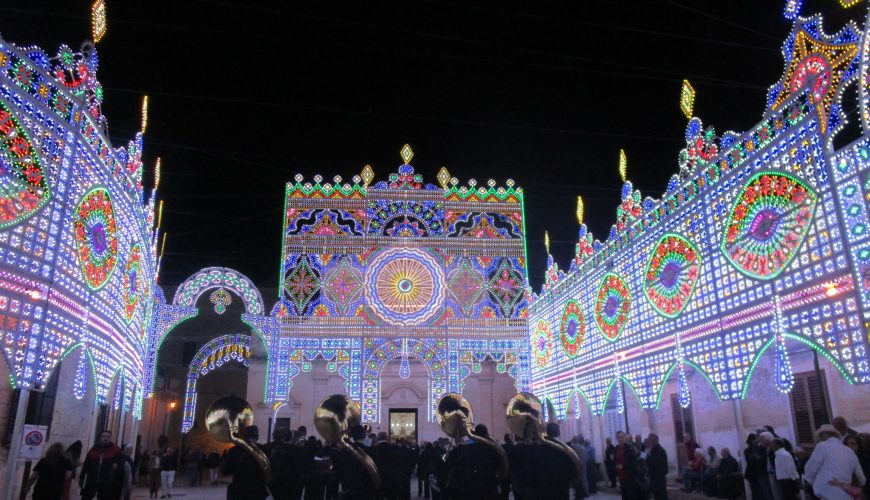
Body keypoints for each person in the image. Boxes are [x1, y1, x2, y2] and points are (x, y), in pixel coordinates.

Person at [804, 424, 866, 500]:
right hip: (846, 495)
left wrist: (809, 480)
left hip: (827, 493)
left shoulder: (823, 446)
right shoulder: (850, 452)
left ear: (824, 434)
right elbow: (862, 479)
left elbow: (811, 468)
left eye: (820, 436)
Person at [443, 423, 501, 500]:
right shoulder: (494, 450)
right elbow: (500, 468)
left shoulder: (465, 449)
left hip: (470, 488)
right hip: (489, 487)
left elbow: (451, 463)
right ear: (487, 435)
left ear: (475, 435)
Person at [224, 425, 269, 500]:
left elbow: (226, 470)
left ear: (245, 435)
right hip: (257, 490)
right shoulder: (264, 449)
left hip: (239, 490)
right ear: (257, 436)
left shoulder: (233, 450)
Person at [79, 430, 123, 500]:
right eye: (104, 436)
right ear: (100, 438)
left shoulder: (116, 450)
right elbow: (86, 464)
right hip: (92, 479)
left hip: (106, 481)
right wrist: (82, 477)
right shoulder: (93, 449)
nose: (106, 438)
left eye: (108, 437)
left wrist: (116, 463)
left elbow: (121, 461)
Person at [745, 433, 773, 500]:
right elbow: (751, 460)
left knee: (764, 491)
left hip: (760, 472)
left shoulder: (760, 448)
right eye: (755, 440)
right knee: (756, 491)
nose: (757, 441)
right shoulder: (748, 450)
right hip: (753, 473)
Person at [614, 431, 639, 500]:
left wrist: (623, 466)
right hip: (621, 475)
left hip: (629, 475)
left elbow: (634, 462)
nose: (620, 439)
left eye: (621, 437)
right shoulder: (616, 448)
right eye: (618, 438)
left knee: (631, 495)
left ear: (624, 438)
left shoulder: (629, 448)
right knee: (624, 495)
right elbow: (615, 460)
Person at [646, 434, 668, 500]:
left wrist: (648, 456)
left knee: (661, 496)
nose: (648, 441)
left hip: (658, 477)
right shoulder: (655, 449)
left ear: (653, 440)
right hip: (655, 477)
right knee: (658, 495)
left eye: (649, 440)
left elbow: (654, 463)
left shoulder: (658, 450)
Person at [571, 435, 589, 499]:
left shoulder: (574, 447)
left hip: (578, 465)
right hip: (584, 464)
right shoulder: (582, 447)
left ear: (573, 440)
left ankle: (580, 493)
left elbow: (573, 457)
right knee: (584, 478)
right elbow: (586, 456)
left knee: (578, 480)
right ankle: (586, 492)